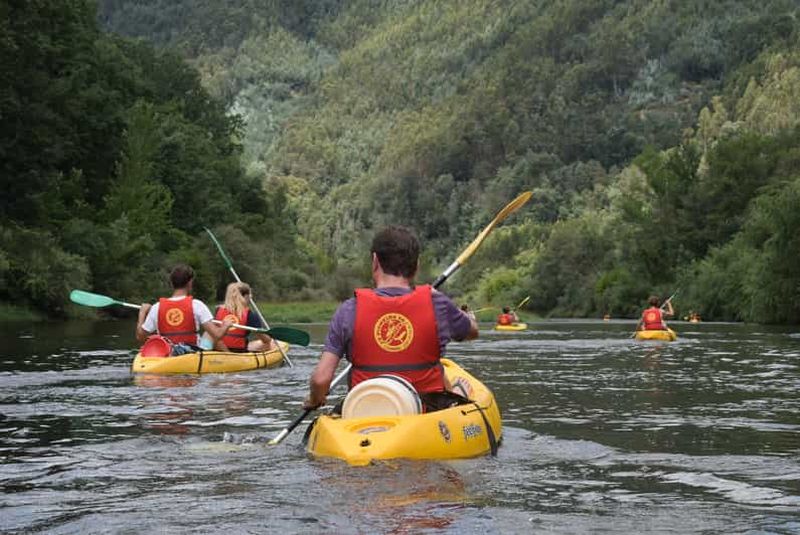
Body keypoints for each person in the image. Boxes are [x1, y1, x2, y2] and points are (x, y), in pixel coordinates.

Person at [304, 226, 479, 411]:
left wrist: (316, 399)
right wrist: (466, 316)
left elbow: (321, 379)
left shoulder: (348, 310)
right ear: (416, 266)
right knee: (447, 379)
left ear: (375, 262)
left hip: (365, 414)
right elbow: (472, 332)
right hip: (426, 415)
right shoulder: (438, 304)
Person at [136, 264, 233, 353]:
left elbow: (140, 337)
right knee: (209, 334)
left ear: (171, 283)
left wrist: (142, 313)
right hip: (191, 354)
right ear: (190, 282)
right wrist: (226, 325)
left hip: (167, 352)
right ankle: (230, 358)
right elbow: (217, 335)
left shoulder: (157, 307)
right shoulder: (197, 305)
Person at [213, 282, 275, 352]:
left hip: (217, 350)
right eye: (250, 294)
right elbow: (265, 339)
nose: (251, 296)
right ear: (245, 296)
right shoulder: (250, 315)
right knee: (269, 344)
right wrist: (270, 337)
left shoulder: (218, 310)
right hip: (238, 352)